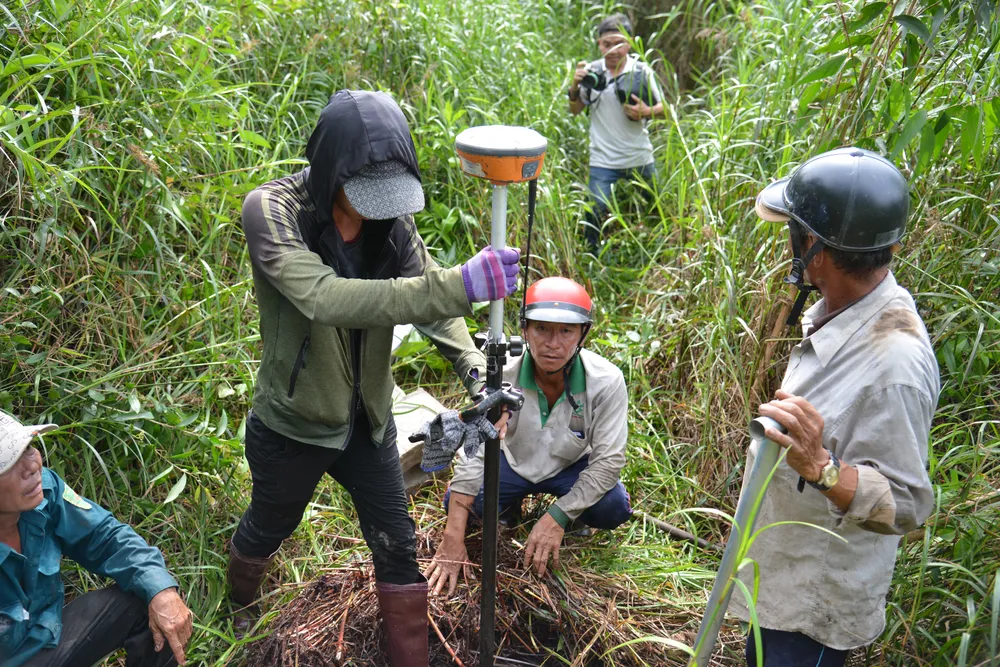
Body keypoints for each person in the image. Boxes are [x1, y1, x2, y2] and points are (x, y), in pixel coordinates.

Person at [230, 89, 520, 666]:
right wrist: (460, 285)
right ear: (331, 171)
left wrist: (473, 371)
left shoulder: (391, 225)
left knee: (396, 545)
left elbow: (430, 306)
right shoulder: (273, 211)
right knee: (270, 524)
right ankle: (239, 599)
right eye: (366, 193)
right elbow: (324, 297)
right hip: (295, 423)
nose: (380, 206)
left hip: (371, 419)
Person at [731, 147, 939, 666]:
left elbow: (910, 506)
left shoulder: (894, 364)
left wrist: (821, 468)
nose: (788, 242)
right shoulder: (839, 312)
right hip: (781, 572)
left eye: (793, 231)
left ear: (815, 249)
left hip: (814, 606)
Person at [424, 277, 632, 596]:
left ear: (582, 334)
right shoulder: (499, 373)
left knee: (612, 507)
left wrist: (558, 517)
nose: (552, 343)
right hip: (512, 460)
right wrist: (451, 536)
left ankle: (575, 521)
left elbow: (609, 461)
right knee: (460, 504)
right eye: (542, 329)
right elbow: (475, 449)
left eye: (566, 331)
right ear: (525, 330)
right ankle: (509, 511)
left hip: (570, 466)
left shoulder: (605, 381)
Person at [0, 410, 193, 667]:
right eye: (11, 462)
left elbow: (104, 536)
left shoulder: (44, 492)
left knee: (148, 595)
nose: (34, 465)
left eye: (29, 448)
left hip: (46, 638)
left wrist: (161, 590)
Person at [568, 13, 665, 251]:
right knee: (594, 212)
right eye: (606, 44)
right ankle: (593, 257)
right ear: (599, 44)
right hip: (603, 160)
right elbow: (575, 110)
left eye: (619, 44)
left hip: (640, 156)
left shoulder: (642, 71)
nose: (613, 50)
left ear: (630, 43)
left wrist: (645, 111)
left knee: (657, 210)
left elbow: (666, 109)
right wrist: (574, 85)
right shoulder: (591, 72)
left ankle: (658, 251)